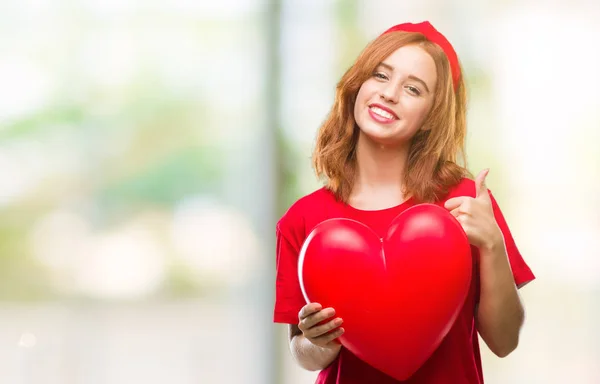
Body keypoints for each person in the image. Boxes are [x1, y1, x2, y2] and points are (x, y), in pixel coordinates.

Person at [273, 21, 535, 384]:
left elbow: (505, 341)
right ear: (357, 86)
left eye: (413, 88)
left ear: (430, 116)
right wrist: (319, 341)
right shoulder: (303, 219)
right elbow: (303, 353)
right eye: (380, 76)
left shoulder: (465, 202)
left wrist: (492, 244)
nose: (390, 94)